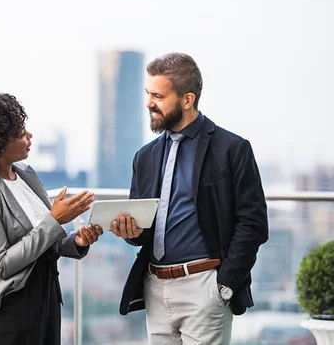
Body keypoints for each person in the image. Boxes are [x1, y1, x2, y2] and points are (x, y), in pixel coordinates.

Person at [110, 52, 269, 344]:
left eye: (158, 95)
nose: (149, 103)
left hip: (205, 287)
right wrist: (130, 232)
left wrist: (224, 286)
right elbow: (143, 233)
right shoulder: (144, 157)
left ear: (187, 99)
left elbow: (254, 223)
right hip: (155, 287)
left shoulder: (232, 149)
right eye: (148, 93)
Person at [0, 91, 102, 345]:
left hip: (46, 297)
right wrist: (55, 220)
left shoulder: (26, 174)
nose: (29, 136)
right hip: (8, 309)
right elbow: (2, 264)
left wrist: (78, 241)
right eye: (20, 134)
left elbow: (49, 240)